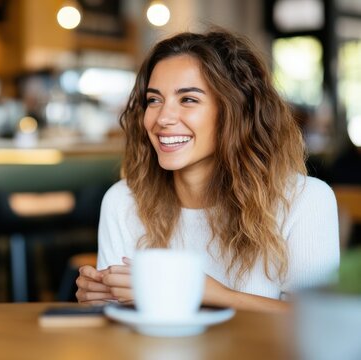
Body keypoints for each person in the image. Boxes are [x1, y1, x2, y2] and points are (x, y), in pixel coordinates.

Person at [76, 29, 339, 313]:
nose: (163, 118)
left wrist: (210, 293)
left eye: (188, 99)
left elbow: (324, 321)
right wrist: (101, 301)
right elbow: (121, 329)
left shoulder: (305, 200)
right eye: (154, 100)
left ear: (235, 110)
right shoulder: (124, 201)